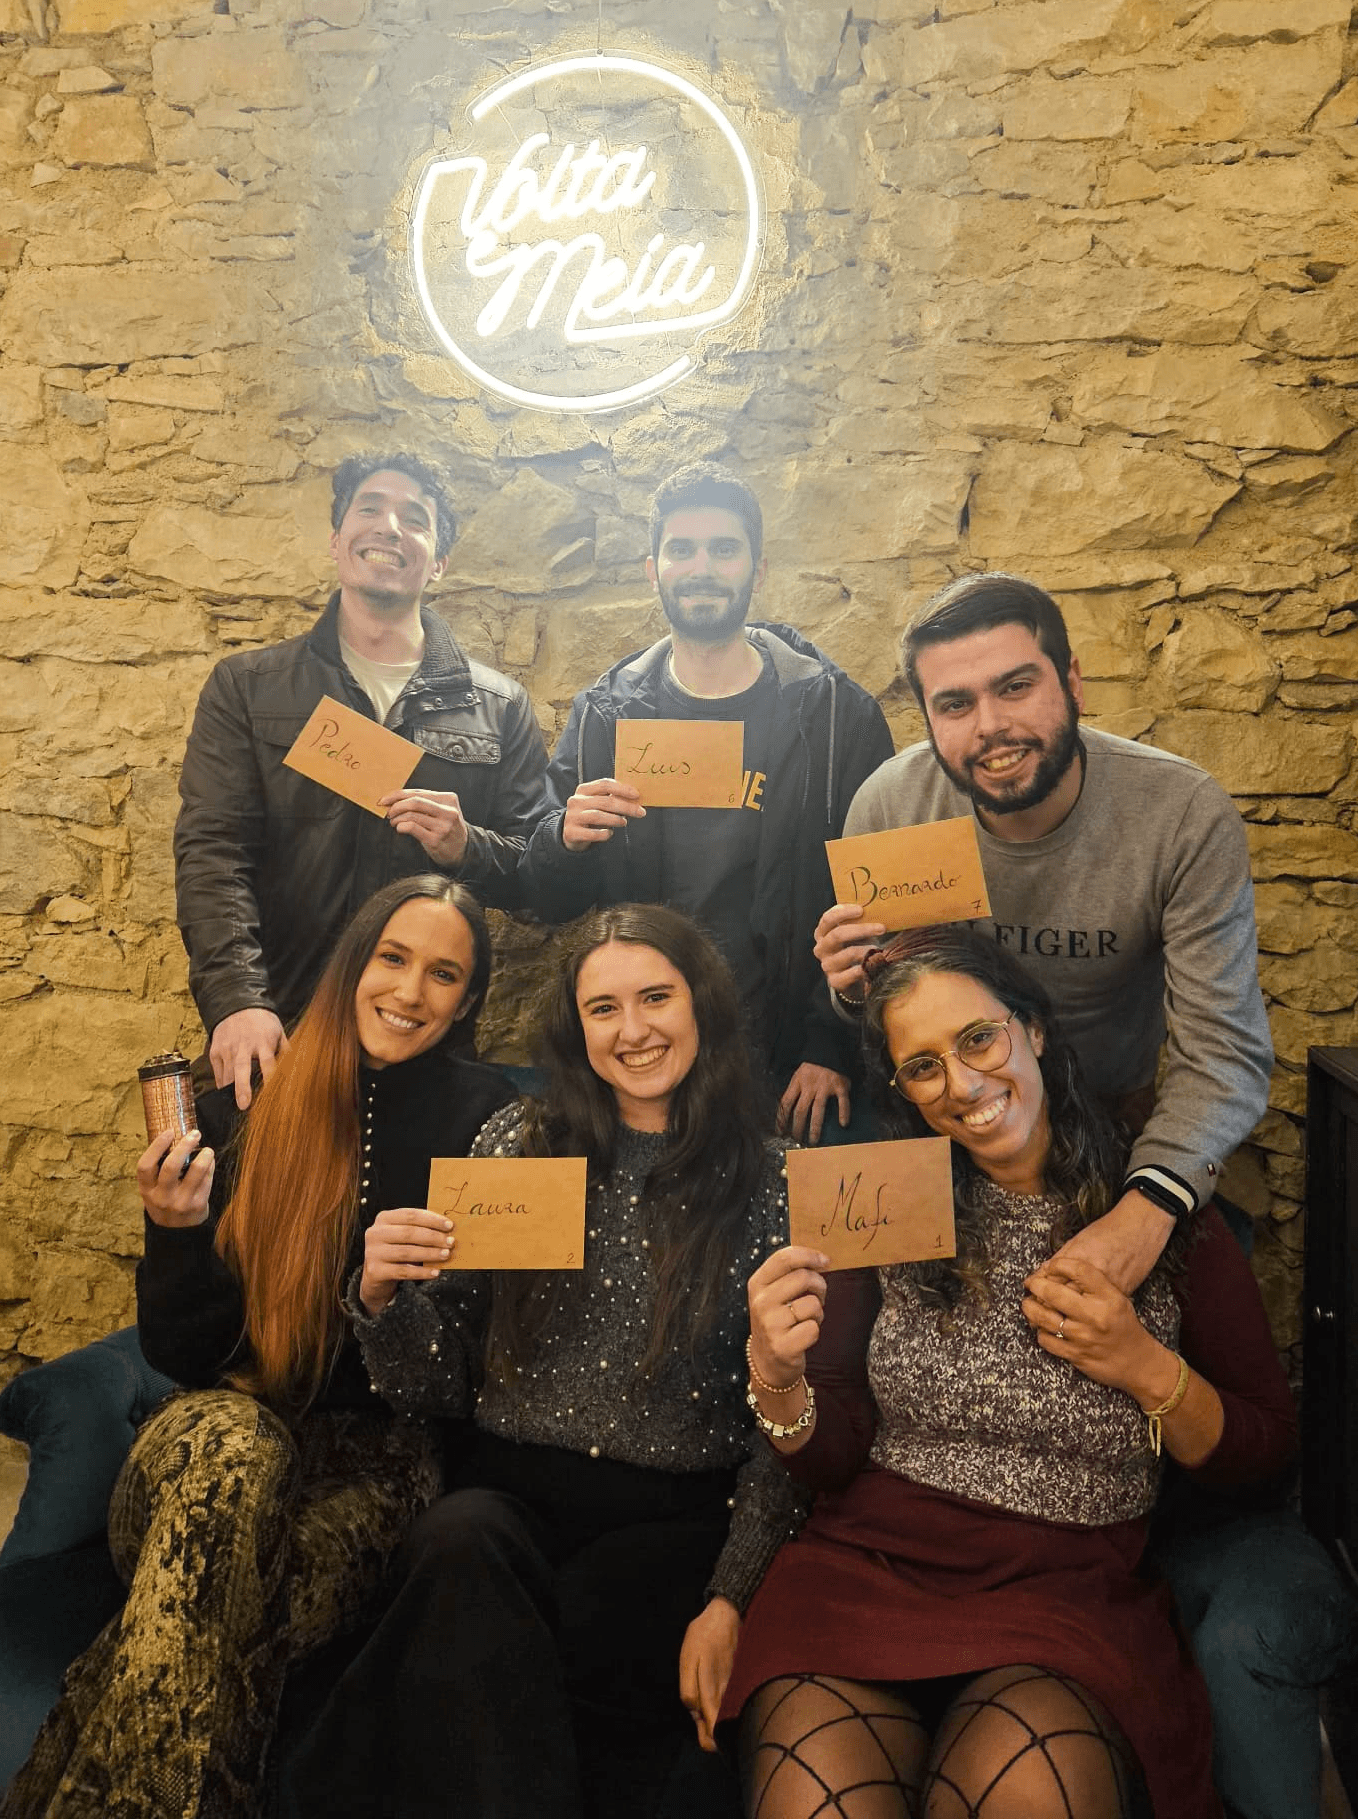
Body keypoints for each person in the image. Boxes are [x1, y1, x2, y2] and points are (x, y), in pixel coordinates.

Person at [724, 925, 1296, 1819]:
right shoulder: (889, 1202)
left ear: (1032, 1027)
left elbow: (1264, 1451)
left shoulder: (1159, 1213)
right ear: (903, 1089)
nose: (961, 1085)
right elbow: (828, 1455)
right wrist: (775, 1373)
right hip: (865, 1573)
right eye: (922, 1067)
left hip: (1067, 1594)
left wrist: (1145, 1370)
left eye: (978, 1038)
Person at [1, 877, 515, 1819]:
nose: (409, 990)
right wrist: (175, 1228)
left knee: (201, 1610)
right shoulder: (247, 1098)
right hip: (213, 1435)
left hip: (374, 1470)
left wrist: (382, 1301)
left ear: (472, 996)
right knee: (235, 1459)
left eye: (444, 973)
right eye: (392, 958)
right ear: (353, 960)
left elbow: (472, 1380)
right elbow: (189, 1355)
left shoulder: (496, 1129)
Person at [285, 904, 799, 1819]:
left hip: (674, 1518)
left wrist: (732, 1596)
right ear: (575, 1027)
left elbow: (788, 1428)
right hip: (509, 1500)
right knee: (457, 1538)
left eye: (655, 998)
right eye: (603, 1008)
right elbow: (432, 1385)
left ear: (704, 1007)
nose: (633, 1029)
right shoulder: (521, 1143)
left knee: (509, 1629)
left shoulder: (778, 1180)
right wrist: (379, 1300)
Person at [813, 570, 1272, 1292]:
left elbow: (1225, 1049)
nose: (990, 724)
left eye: (1016, 686)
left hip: (1114, 1126)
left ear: (1074, 683)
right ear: (928, 719)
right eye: (955, 704)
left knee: (1208, 1288)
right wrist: (851, 989)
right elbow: (885, 1022)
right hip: (947, 1133)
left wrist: (1146, 1205)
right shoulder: (891, 805)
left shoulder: (1181, 814)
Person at [518, 462, 894, 1145]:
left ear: (757, 565)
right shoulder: (606, 712)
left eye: (723, 548)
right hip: (648, 1053)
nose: (702, 567)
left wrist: (830, 1041)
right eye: (681, 549)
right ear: (652, 568)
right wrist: (562, 838)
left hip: (789, 1061)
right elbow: (550, 899)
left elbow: (876, 897)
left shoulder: (837, 714)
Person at [175, 449, 549, 1109]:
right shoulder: (248, 688)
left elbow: (538, 879)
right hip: (280, 1031)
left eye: (415, 518)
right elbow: (213, 856)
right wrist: (237, 1001)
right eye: (369, 509)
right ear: (336, 540)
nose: (389, 527)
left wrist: (469, 848)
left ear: (437, 562)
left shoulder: (502, 707)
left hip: (425, 1044)